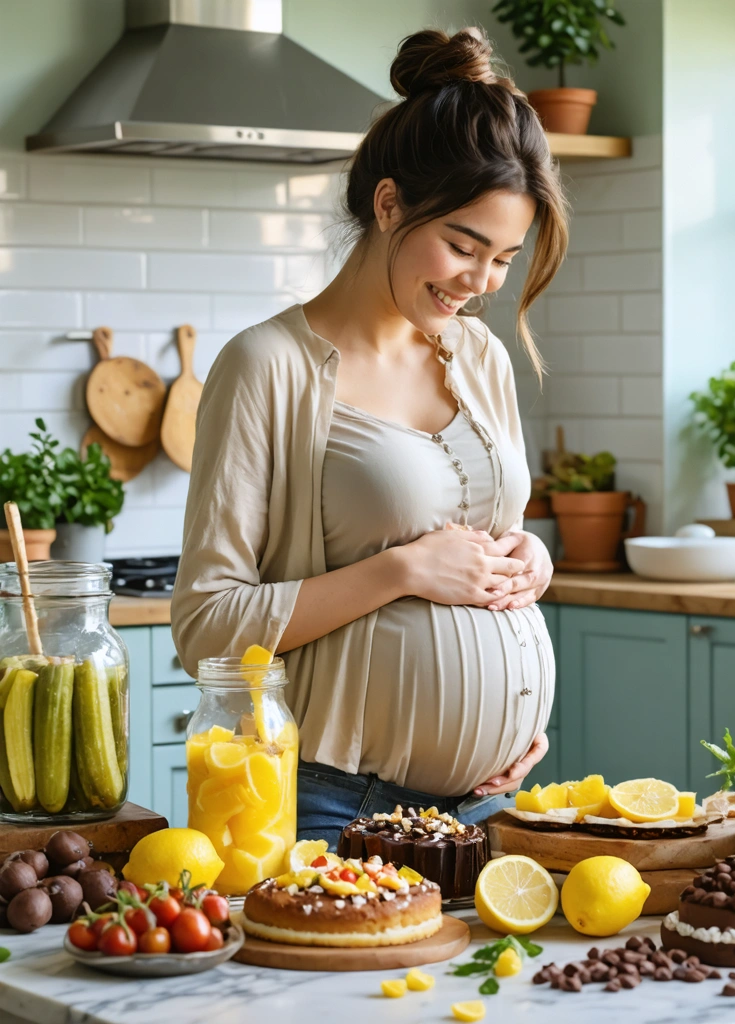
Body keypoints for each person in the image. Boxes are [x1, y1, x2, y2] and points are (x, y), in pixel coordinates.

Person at [171, 26, 569, 842]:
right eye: (462, 245)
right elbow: (205, 626)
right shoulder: (266, 367)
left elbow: (483, 543)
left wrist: (529, 561)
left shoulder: (480, 355)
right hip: (337, 805)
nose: (481, 282)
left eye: (503, 258)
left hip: (494, 800)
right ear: (388, 204)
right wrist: (401, 570)